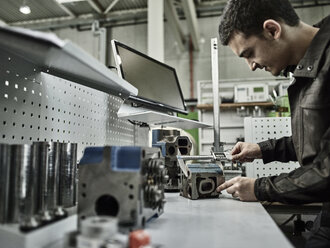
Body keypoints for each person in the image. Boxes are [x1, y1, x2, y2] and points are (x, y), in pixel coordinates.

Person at [216, 0, 330, 247]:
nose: (252, 65)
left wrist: (259, 188)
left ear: (272, 30)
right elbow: (317, 141)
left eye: (249, 53)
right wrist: (261, 149)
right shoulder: (307, 69)